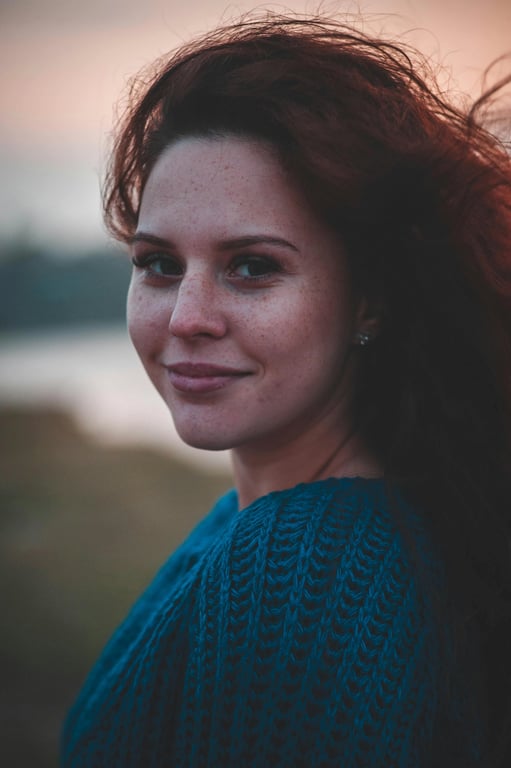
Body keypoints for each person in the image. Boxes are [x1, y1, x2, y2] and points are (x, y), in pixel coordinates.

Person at [61, 13, 511, 767]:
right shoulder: (258, 522)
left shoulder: (305, 569)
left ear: (368, 299)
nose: (187, 317)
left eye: (252, 266)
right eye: (158, 263)